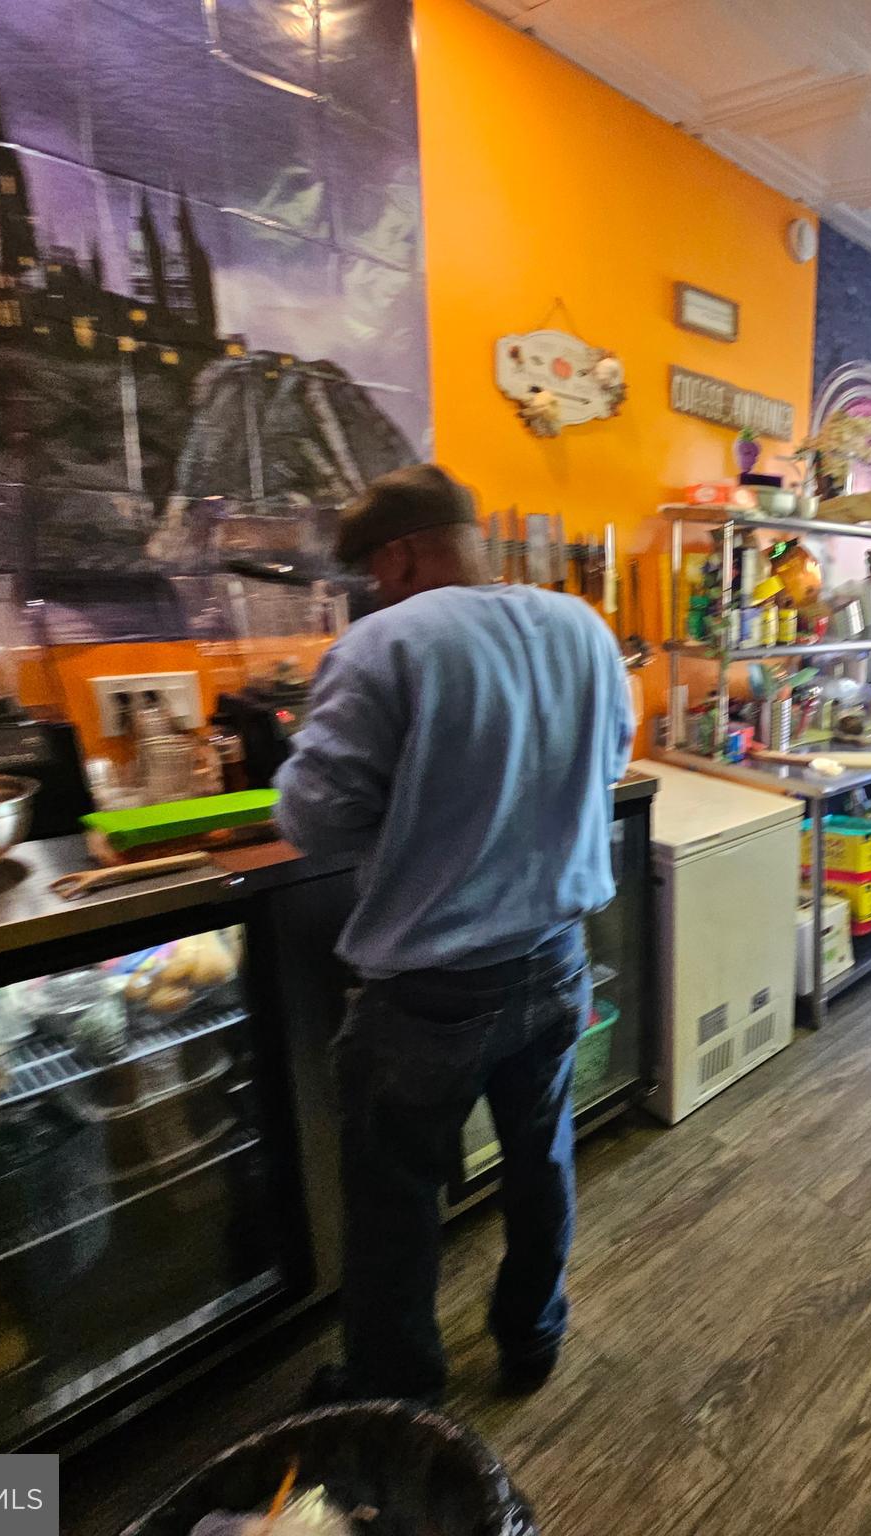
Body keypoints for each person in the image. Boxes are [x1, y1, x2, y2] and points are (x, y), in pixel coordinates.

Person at [276, 463, 634, 1404]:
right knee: (540, 1159)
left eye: (371, 572)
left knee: (396, 1202)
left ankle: (397, 1397)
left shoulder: (381, 645)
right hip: (558, 960)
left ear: (397, 555)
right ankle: (532, 1338)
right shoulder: (582, 627)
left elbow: (315, 821)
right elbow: (611, 760)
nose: (371, 591)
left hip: (433, 990)